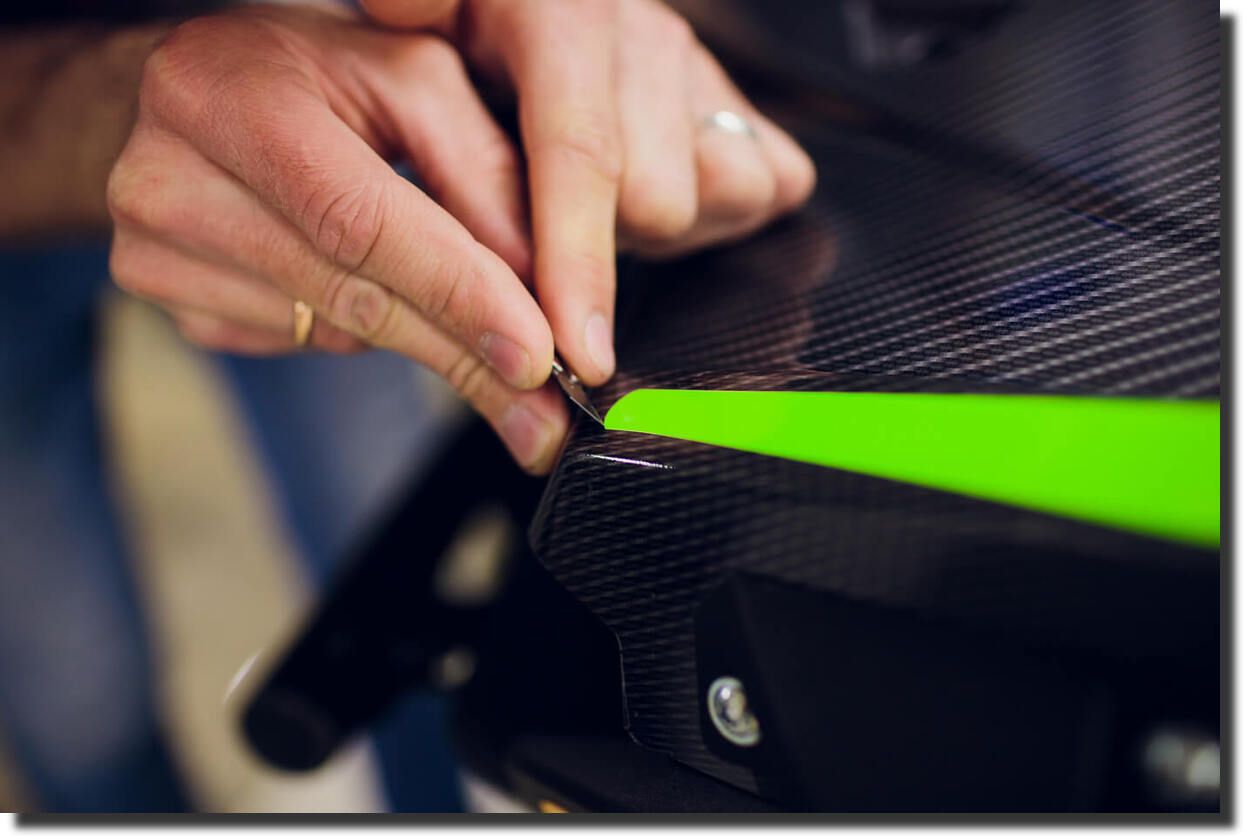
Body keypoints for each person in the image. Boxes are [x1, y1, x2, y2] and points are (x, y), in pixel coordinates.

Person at [0, 0, 814, 812]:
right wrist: (105, 106)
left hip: (328, 122)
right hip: (169, 164)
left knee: (379, 538)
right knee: (79, 696)